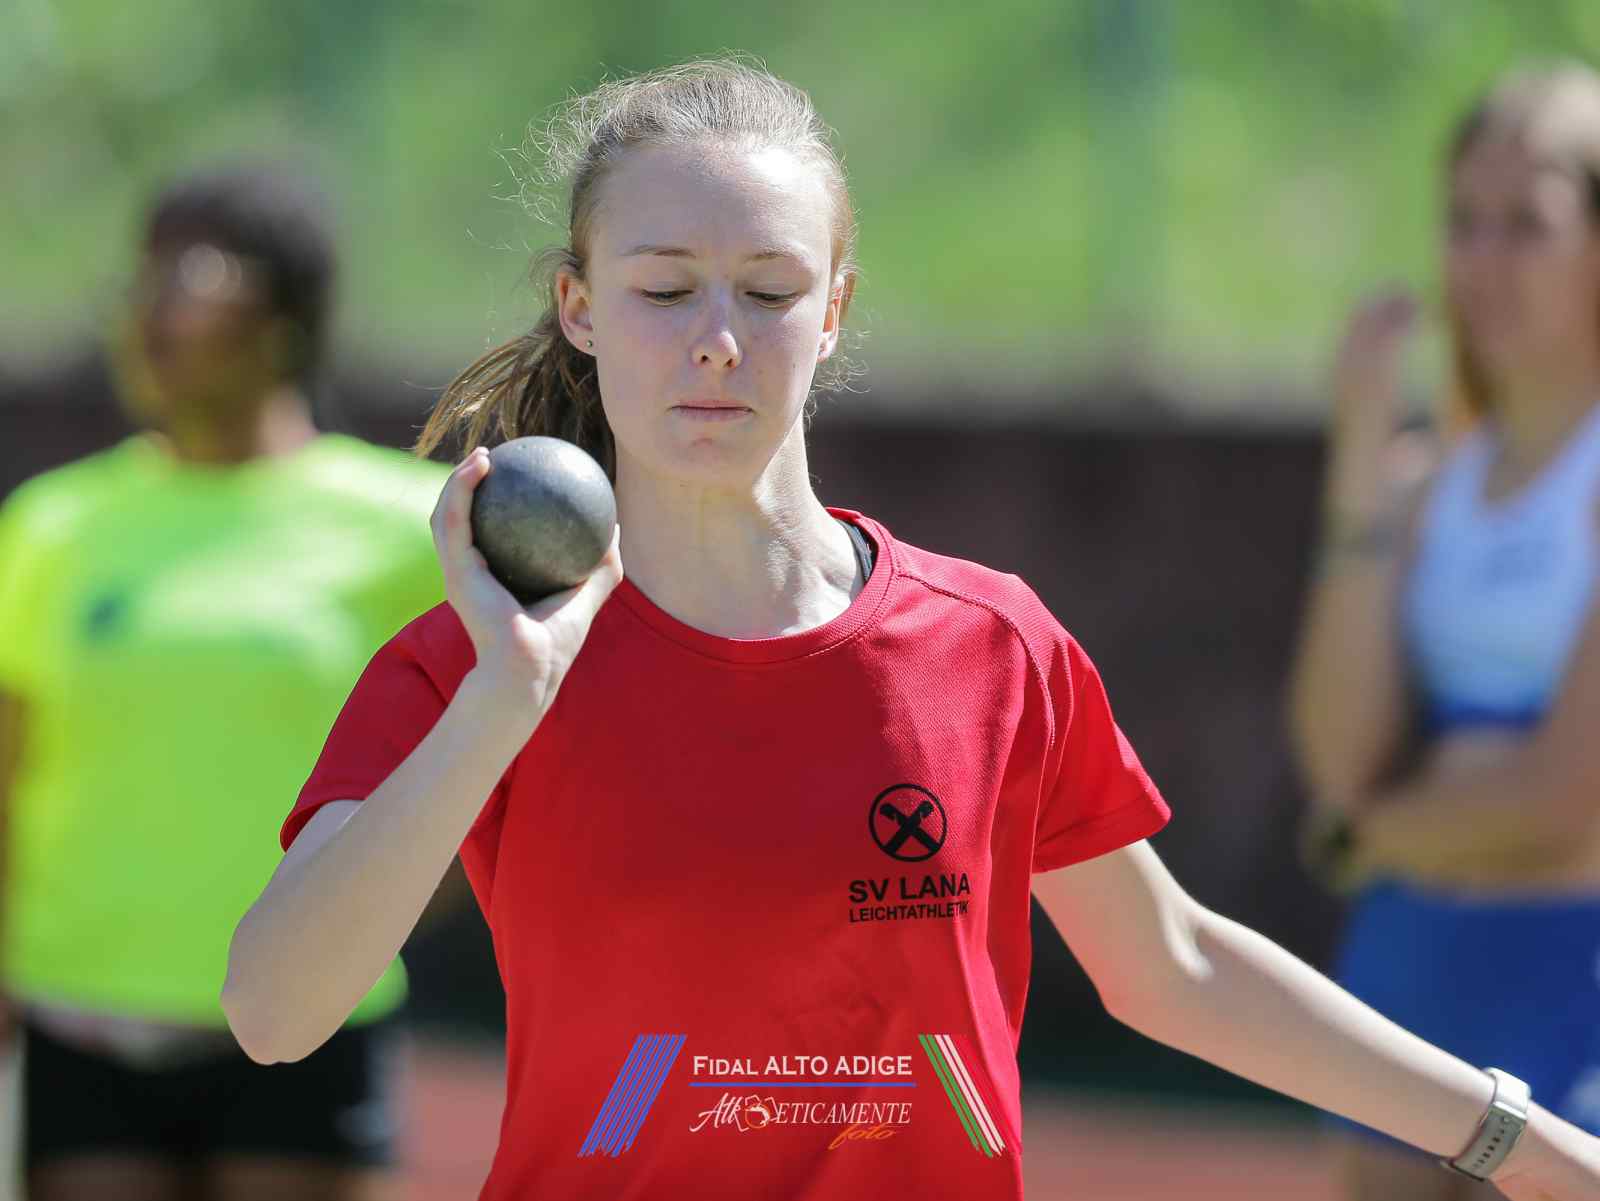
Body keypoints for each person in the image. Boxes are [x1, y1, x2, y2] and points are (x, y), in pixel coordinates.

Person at [225, 59, 1600, 1200]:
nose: (718, 338)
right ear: (580, 307)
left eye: (769, 290)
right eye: (664, 288)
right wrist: (501, 704)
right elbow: (275, 1015)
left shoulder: (989, 647)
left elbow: (1173, 963)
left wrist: (1518, 1138)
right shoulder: (476, 661)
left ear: (833, 310)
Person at [0, 165, 449, 1201]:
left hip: (309, 1024)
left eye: (191, 276)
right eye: (142, 277)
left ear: (285, 319)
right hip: (83, 1020)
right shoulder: (51, 524)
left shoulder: (415, 530)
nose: (151, 309)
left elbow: (498, 754)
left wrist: (361, 921)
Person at [1289, 62, 1600, 1201]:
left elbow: (1566, 801)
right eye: (1464, 221)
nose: (1483, 259)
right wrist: (1358, 472)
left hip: (1575, 965)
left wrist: (1363, 839)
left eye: (1529, 224)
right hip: (1413, 959)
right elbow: (1339, 755)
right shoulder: (1426, 489)